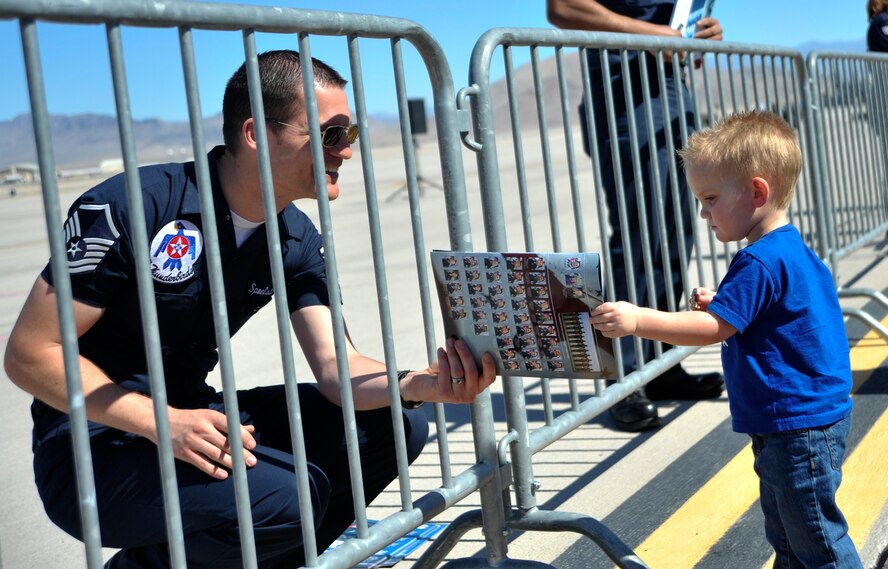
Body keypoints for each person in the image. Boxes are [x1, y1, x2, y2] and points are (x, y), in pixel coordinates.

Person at [3, 50, 497, 569]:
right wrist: (161, 422)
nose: (346, 153)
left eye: (349, 136)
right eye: (331, 135)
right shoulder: (138, 207)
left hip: (196, 420)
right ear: (257, 133)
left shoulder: (295, 237)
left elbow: (338, 369)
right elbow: (30, 354)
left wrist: (419, 385)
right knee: (286, 498)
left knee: (395, 425)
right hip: (94, 450)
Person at [590, 110, 863, 568]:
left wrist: (638, 320)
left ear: (757, 191)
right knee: (790, 535)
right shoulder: (789, 249)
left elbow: (714, 328)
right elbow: (783, 312)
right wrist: (726, 301)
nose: (702, 212)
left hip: (796, 426)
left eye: (711, 198)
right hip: (803, 419)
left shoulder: (758, 261)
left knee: (817, 542)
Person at [547, 0, 725, 431]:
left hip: (670, 92)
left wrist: (700, 35)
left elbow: (669, 26)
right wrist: (643, 34)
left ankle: (661, 365)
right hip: (623, 97)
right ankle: (623, 379)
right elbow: (562, 7)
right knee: (637, 235)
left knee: (676, 230)